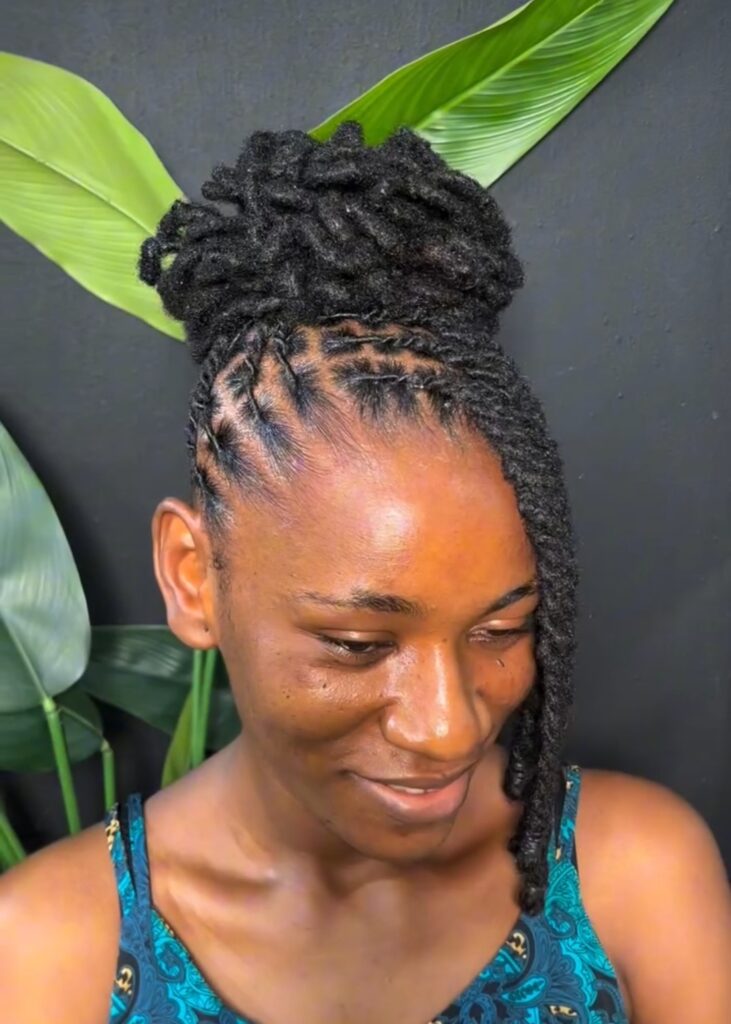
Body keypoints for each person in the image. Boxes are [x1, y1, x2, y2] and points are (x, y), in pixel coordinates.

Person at [1, 121, 729, 1024]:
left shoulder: (635, 875)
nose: (445, 726)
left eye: (499, 630)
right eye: (356, 643)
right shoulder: (46, 952)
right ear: (194, 577)